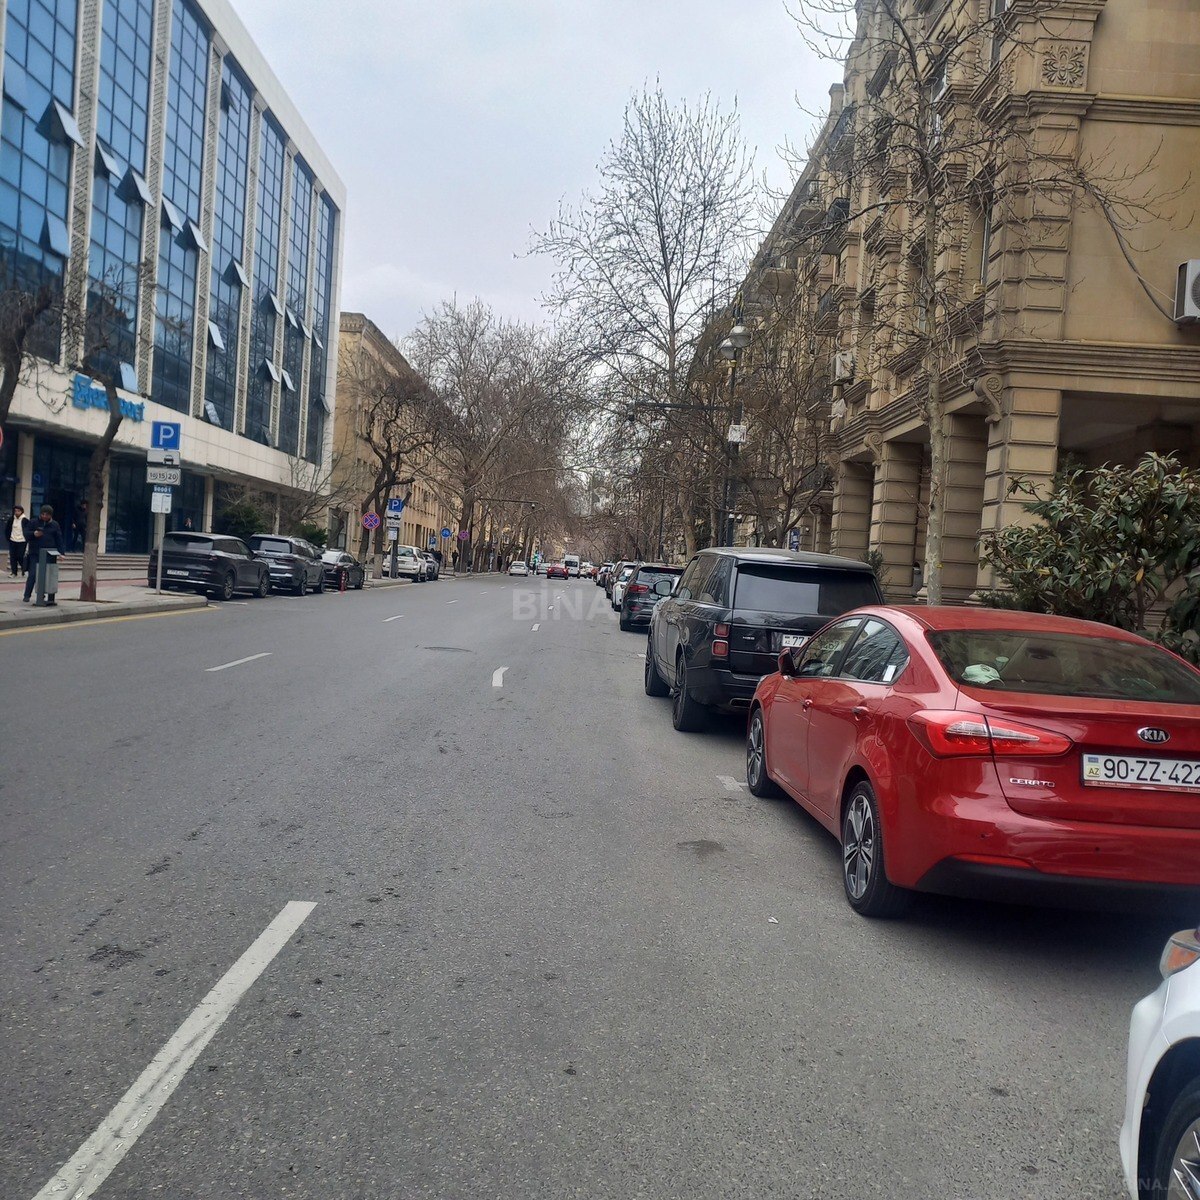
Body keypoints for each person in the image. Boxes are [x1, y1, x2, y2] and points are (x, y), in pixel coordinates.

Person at [24, 505, 65, 604]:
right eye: (42, 514)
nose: (44, 516)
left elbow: (59, 539)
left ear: (50, 515)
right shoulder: (33, 522)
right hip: (35, 553)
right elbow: (26, 534)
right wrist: (34, 534)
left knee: (47, 575)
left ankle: (43, 595)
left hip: (49, 554)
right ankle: (27, 595)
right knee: (33, 574)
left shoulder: (55, 525)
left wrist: (61, 553)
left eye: (47, 515)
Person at [6, 505, 27, 575]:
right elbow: (7, 529)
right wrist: (8, 538)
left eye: (18, 511)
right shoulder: (11, 519)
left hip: (22, 541)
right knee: (13, 557)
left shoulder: (25, 520)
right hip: (13, 540)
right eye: (15, 511)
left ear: (21, 512)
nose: (16, 512)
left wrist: (27, 538)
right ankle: (14, 572)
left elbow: (27, 530)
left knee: (20, 556)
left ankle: (24, 568)